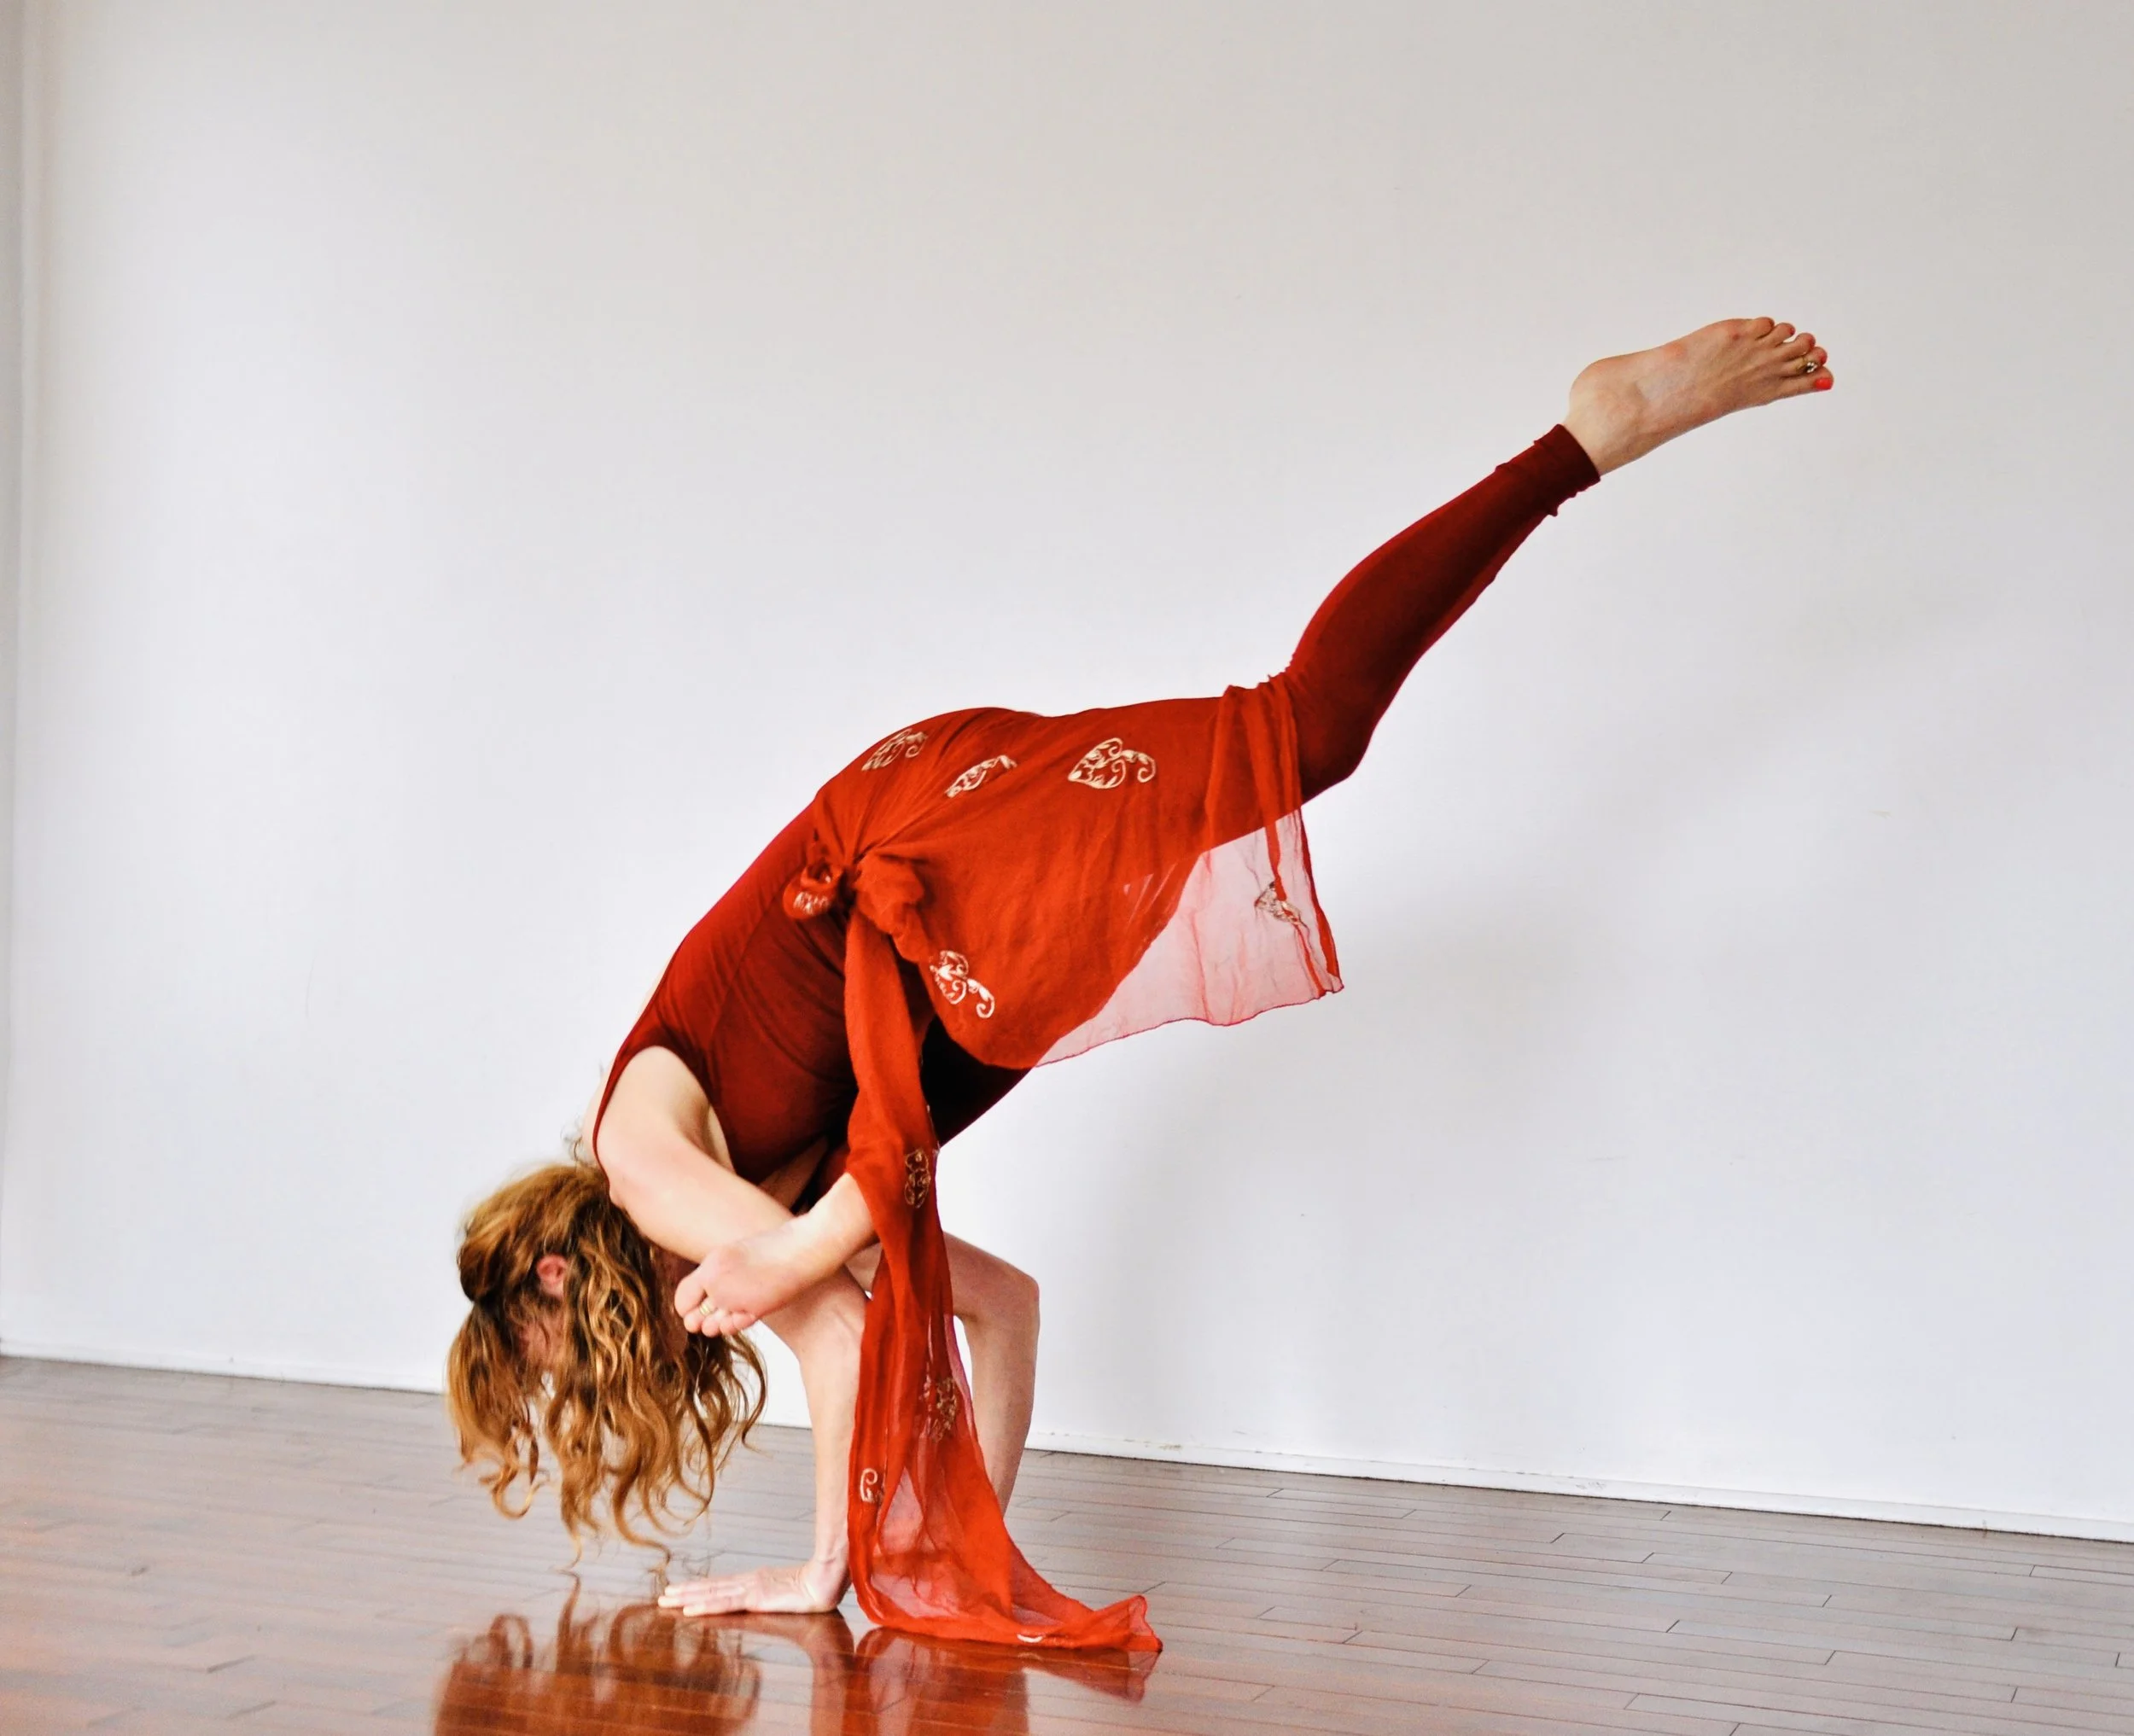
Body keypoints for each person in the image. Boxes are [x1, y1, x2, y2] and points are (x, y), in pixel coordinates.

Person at [447, 318, 1833, 1650]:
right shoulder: (743, 1225)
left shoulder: (646, 1165)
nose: (588, 1388)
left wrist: (828, 1565)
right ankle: (1576, 445)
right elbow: (1002, 1308)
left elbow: (842, 1340)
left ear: (559, 1279)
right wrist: (941, 1556)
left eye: (553, 1360)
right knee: (1298, 743)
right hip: (947, 986)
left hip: (908, 868)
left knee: (1297, 734)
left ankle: (1582, 436)